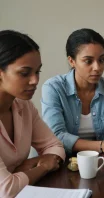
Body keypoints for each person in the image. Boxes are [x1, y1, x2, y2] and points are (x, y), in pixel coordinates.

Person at [41, 28, 104, 156]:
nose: (97, 67)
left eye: (101, 60)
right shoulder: (53, 88)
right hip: (60, 160)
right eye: (88, 61)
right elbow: (56, 136)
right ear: (72, 61)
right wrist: (102, 146)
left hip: (97, 160)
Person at [0, 30, 65, 197]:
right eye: (24, 73)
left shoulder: (24, 106)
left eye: (37, 71)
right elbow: (6, 190)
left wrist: (25, 169)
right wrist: (43, 166)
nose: (35, 80)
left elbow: (55, 146)